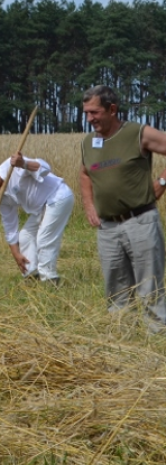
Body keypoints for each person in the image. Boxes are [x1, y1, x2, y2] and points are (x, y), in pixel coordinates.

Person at [80, 85, 166, 333]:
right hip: (107, 227)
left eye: (94, 112)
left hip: (140, 221)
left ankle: (156, 336)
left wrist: (160, 183)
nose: (89, 119)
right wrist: (88, 205)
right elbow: (84, 174)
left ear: (112, 109)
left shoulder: (138, 133)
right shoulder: (88, 142)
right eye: (86, 113)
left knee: (150, 284)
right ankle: (121, 334)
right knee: (115, 286)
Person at [0, 151, 74, 284]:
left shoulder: (11, 166)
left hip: (58, 197)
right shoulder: (2, 197)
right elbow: (10, 227)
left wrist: (24, 163)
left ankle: (50, 280)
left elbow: (45, 168)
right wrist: (16, 254)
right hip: (42, 208)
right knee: (25, 237)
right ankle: (31, 275)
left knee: (44, 238)